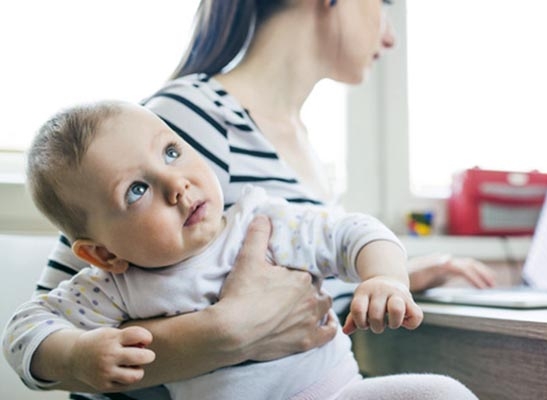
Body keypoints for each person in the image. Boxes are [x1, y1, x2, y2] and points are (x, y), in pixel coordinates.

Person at [6, 0, 494, 398]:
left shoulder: (295, 153)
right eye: (385, 4)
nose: (390, 35)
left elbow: (303, 288)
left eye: (174, 154)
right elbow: (65, 359)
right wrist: (227, 330)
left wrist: (390, 272)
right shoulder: (195, 113)